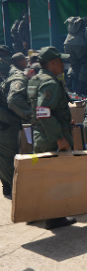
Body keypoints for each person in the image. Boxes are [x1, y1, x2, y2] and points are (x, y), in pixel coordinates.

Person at [28, 47, 76, 229]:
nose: (63, 65)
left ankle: (38, 212)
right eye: (60, 61)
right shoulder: (50, 83)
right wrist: (59, 137)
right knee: (56, 178)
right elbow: (43, 112)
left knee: (42, 177)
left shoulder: (35, 79)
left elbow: (39, 110)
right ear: (52, 63)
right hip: (52, 138)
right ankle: (55, 218)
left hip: (41, 134)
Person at [0, 53, 33, 197]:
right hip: (6, 123)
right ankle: (14, 190)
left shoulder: (7, 75)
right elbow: (14, 101)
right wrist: (31, 116)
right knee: (8, 157)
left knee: (4, 157)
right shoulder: (17, 77)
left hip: (5, 121)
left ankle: (7, 187)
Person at [63, 16, 87, 95]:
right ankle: (80, 89)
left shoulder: (72, 22)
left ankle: (69, 86)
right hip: (80, 45)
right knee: (85, 64)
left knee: (73, 66)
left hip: (67, 44)